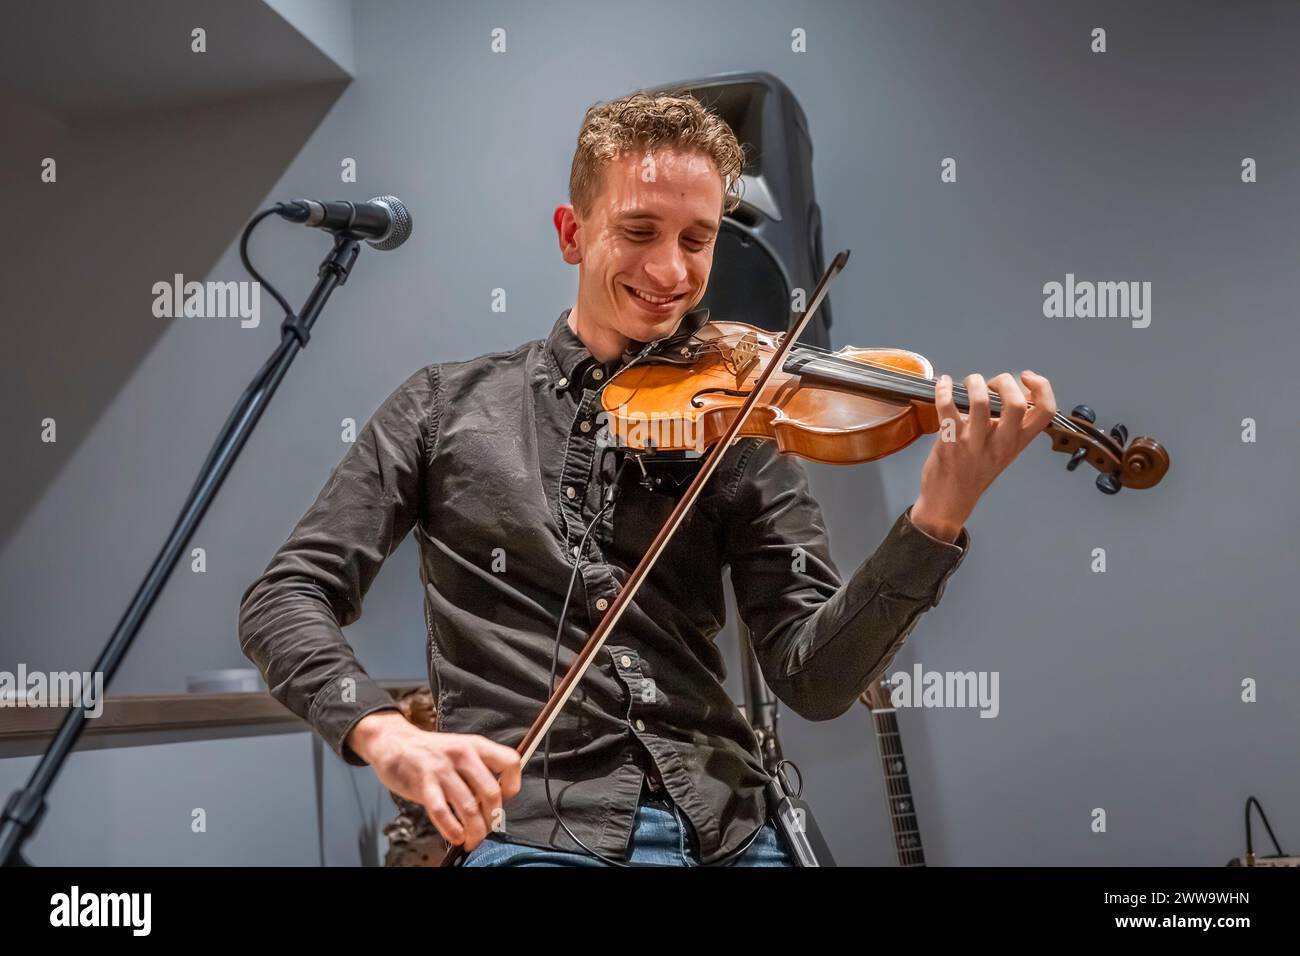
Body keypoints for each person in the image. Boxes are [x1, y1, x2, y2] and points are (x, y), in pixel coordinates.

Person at [238, 89, 1056, 867]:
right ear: (572, 233)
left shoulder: (742, 422)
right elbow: (284, 596)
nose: (670, 272)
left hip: (736, 829)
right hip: (541, 834)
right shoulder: (441, 406)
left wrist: (938, 516)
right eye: (638, 231)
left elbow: (814, 680)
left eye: (696, 239)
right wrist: (387, 734)